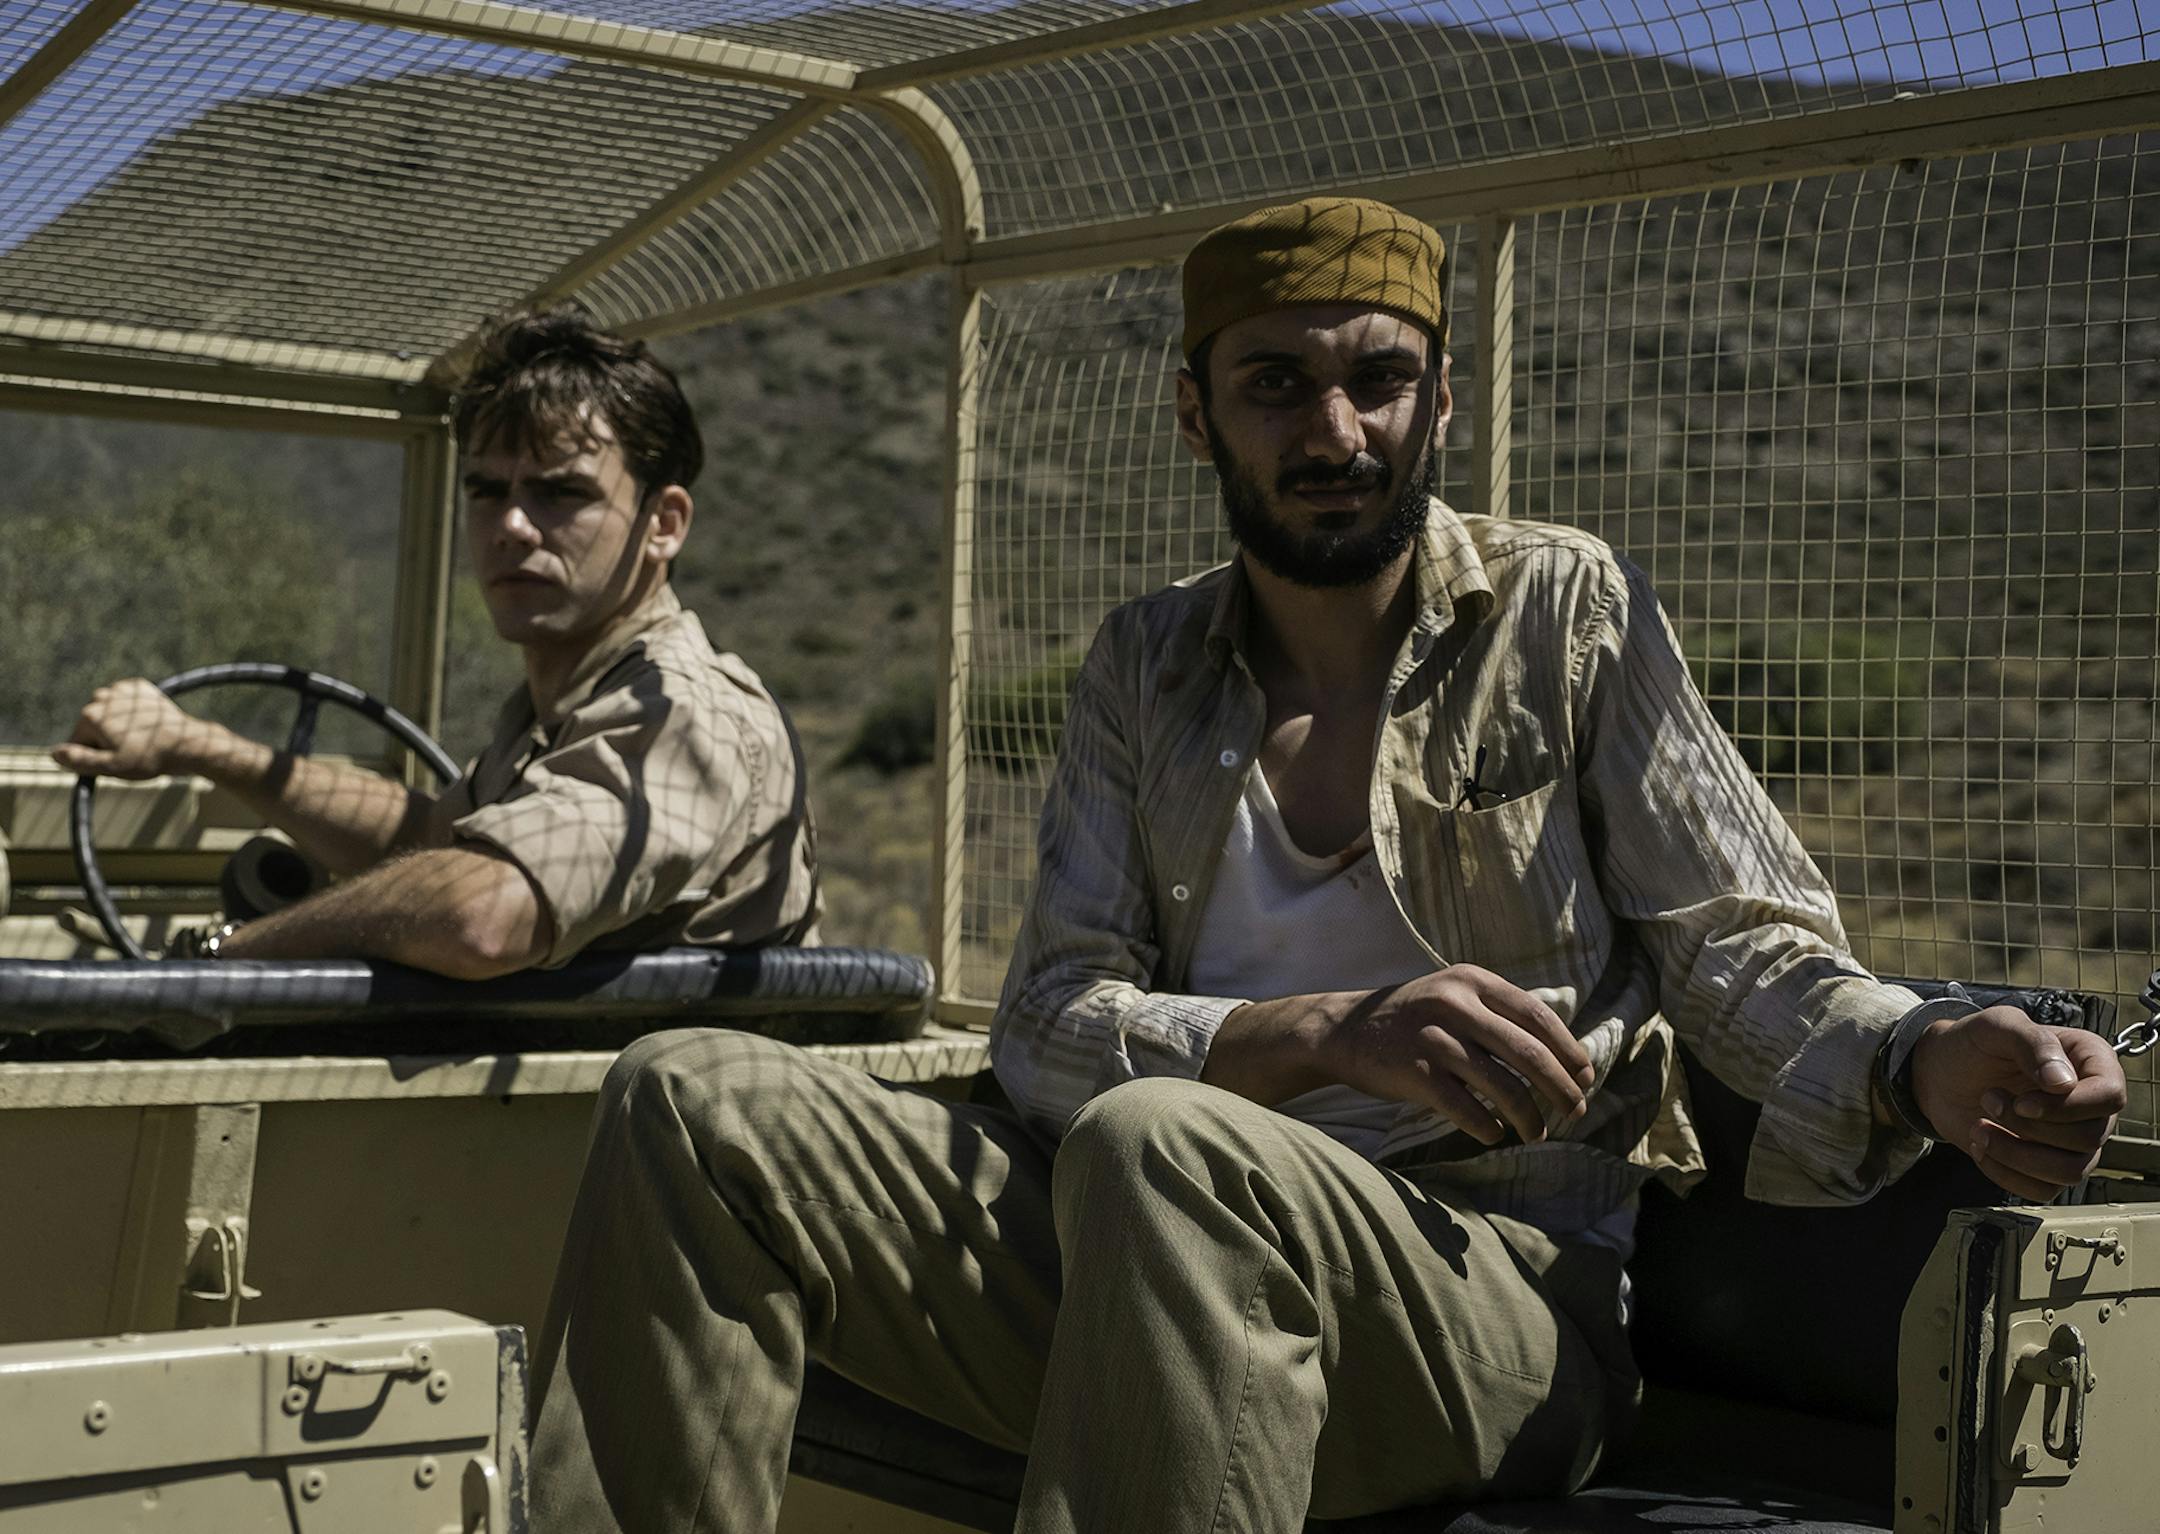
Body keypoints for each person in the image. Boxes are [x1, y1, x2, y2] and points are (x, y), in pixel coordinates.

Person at [524, 198, 2124, 1531]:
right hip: (1147, 1251)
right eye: (1277, 385)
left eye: (1379, 380)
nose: (1335, 430)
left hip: (1498, 1292)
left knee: (1167, 1139)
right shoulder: (1143, 667)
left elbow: (1739, 946)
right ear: (1195, 411)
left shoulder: (1562, 612)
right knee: (689, 1093)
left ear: (1440, 399)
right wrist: (1320, 1034)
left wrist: (1919, 1049)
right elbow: (1050, 1017)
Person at [52, 308, 819, 976]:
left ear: (664, 524)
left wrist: (229, 955)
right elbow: (426, 838)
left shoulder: (677, 708)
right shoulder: (566, 704)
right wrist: (200, 747)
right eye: (487, 492)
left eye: (561, 493)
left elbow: (483, 915)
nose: (512, 527)